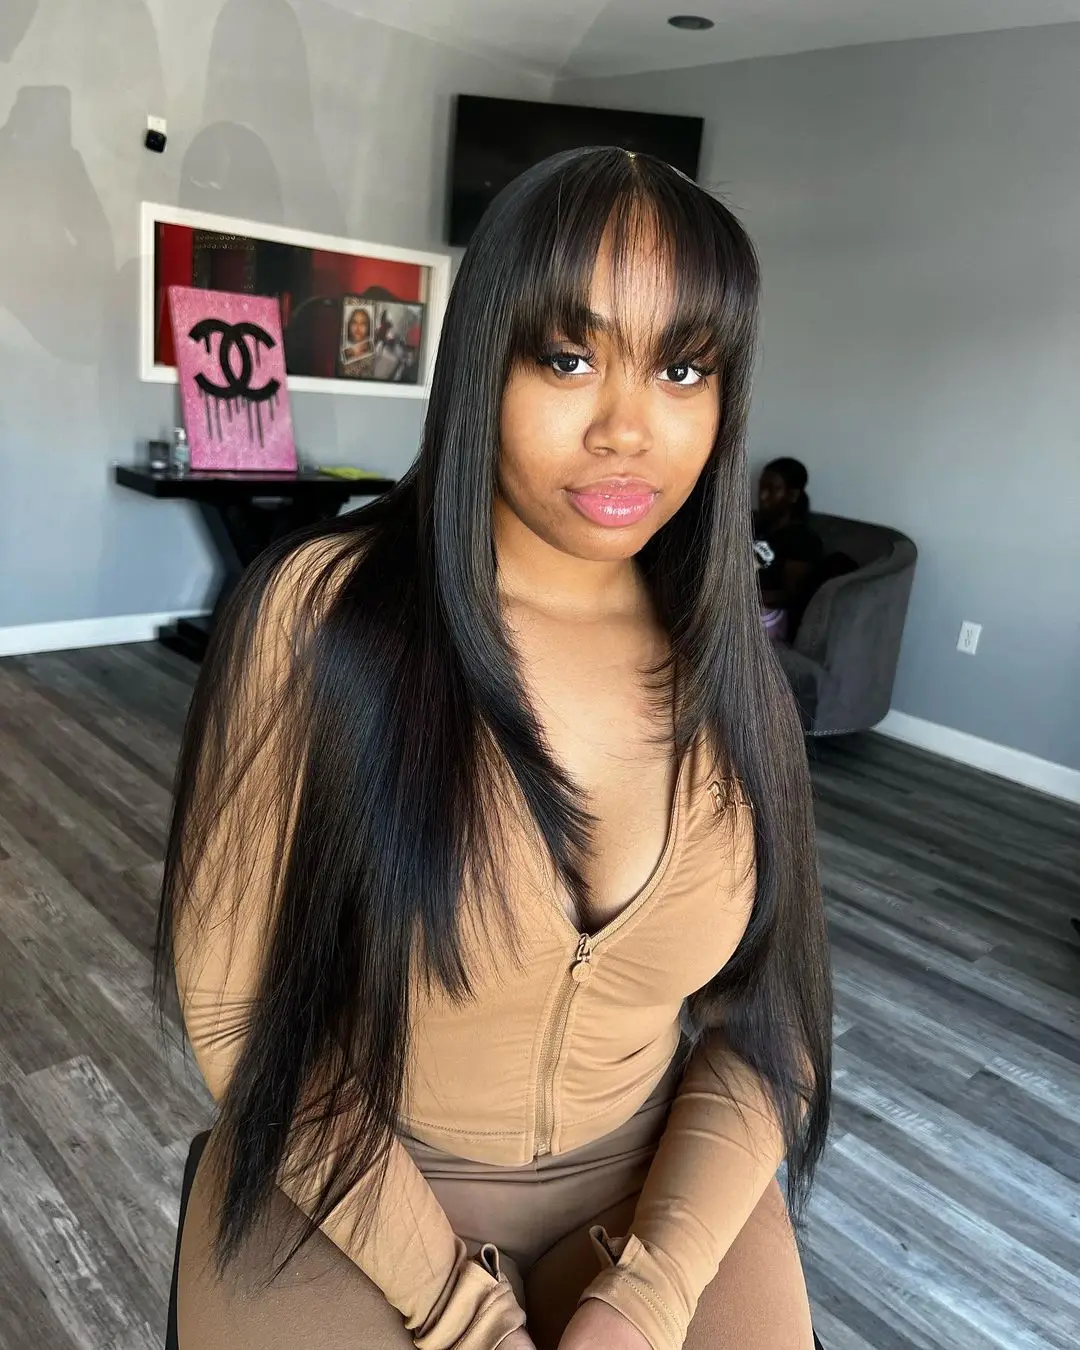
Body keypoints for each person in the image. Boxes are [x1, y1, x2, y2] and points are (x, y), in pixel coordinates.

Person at [156, 147, 831, 1350]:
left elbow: (768, 1028)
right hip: (346, 1179)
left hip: (649, 1182)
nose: (628, 429)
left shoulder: (736, 672)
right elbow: (238, 1011)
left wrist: (648, 1296)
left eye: (682, 367)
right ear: (483, 361)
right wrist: (464, 1319)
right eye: (568, 357)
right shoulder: (323, 615)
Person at [753, 458, 823, 640]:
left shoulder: (802, 540)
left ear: (792, 495)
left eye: (772, 490)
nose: (762, 496)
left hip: (768, 613)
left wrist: (742, 595)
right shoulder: (756, 526)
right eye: (761, 488)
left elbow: (790, 595)